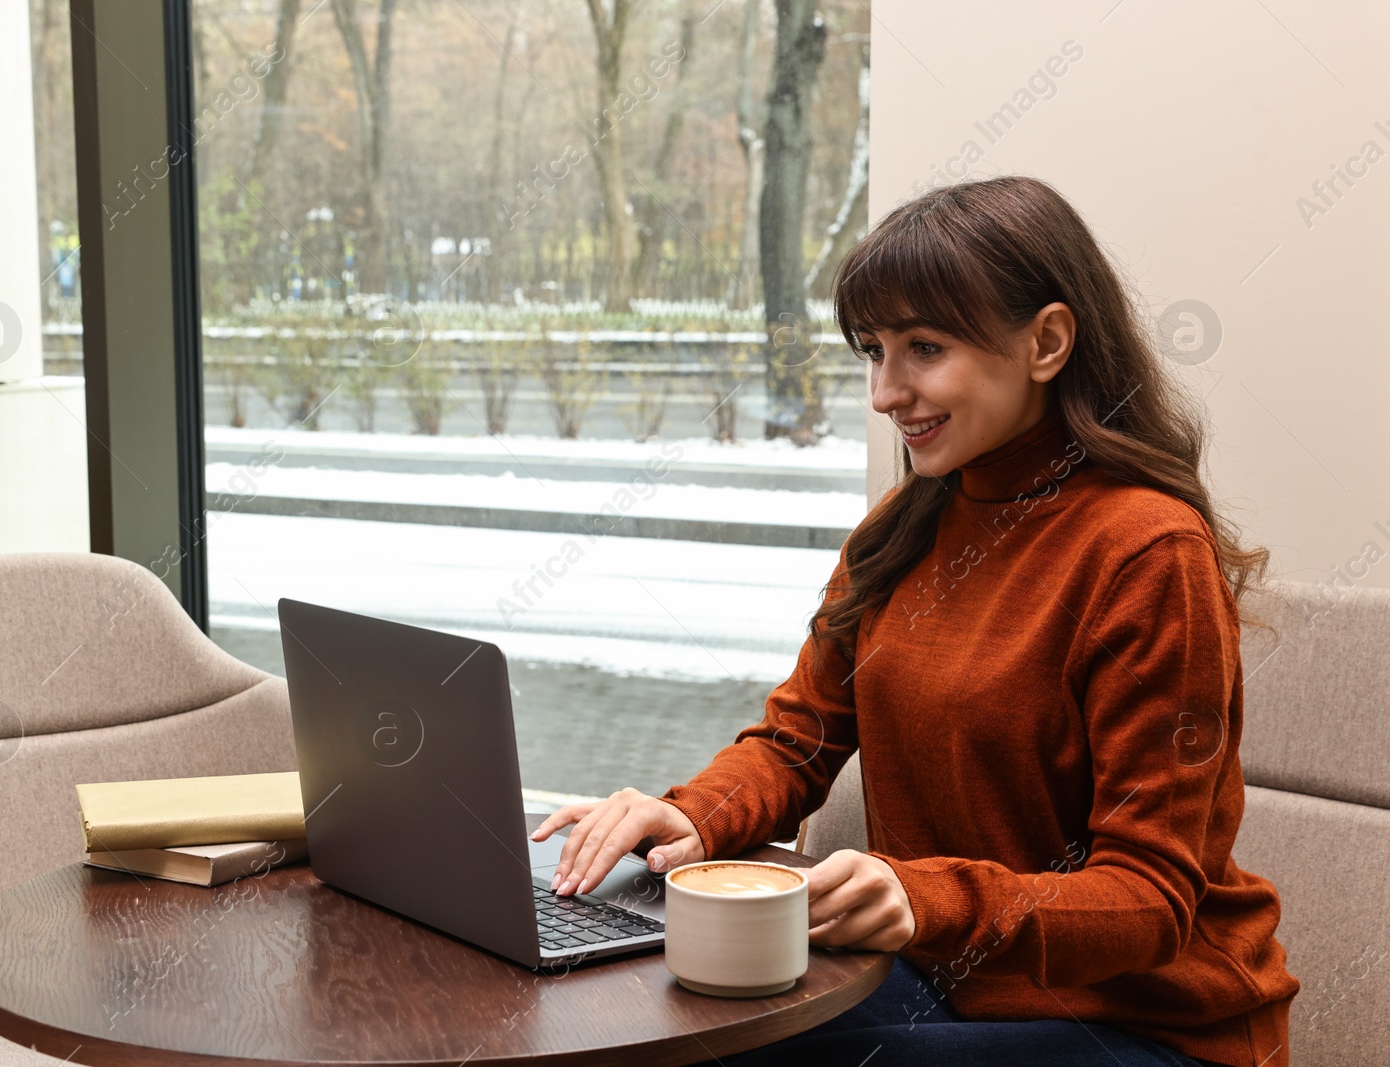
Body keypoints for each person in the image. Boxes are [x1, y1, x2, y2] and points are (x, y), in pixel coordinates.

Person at [531, 175, 1299, 1067]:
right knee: (667, 1030)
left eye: (924, 347)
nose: (887, 392)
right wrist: (695, 818)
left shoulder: (1147, 551)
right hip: (944, 983)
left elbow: (1151, 897)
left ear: (1047, 341)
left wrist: (927, 898)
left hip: (1147, 1024)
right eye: (873, 351)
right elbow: (797, 740)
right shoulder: (901, 532)